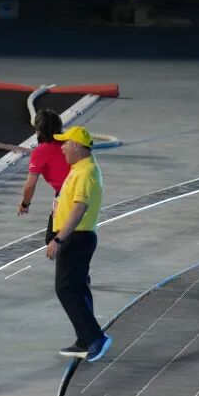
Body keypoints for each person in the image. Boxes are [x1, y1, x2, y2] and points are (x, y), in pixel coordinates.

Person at [46, 126, 111, 363]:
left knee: (65, 288)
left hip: (76, 237)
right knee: (78, 288)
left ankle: (96, 338)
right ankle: (84, 340)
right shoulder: (80, 169)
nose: (62, 148)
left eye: (65, 143)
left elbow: (79, 208)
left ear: (76, 145)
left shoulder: (85, 172)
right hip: (77, 236)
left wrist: (59, 238)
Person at [18, 109, 70, 244]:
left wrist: (25, 204)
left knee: (53, 240)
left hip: (66, 196)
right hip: (85, 192)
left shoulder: (40, 152)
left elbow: (30, 184)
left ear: (38, 131)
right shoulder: (71, 143)